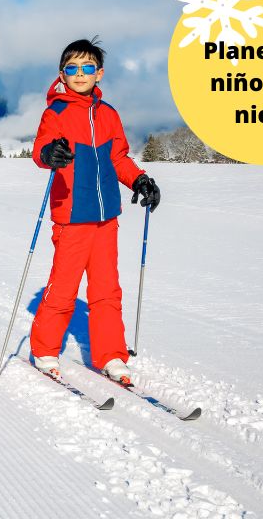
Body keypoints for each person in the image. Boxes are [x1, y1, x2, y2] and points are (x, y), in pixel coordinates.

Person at [29, 38, 160, 385]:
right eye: (72, 68)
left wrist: (140, 180)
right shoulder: (55, 112)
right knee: (64, 288)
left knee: (106, 289)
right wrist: (49, 155)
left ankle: (111, 355)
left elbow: (118, 157)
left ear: (99, 73)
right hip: (71, 216)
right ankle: (44, 349)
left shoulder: (109, 114)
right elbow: (41, 149)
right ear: (62, 74)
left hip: (106, 218)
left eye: (88, 67)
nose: (80, 73)